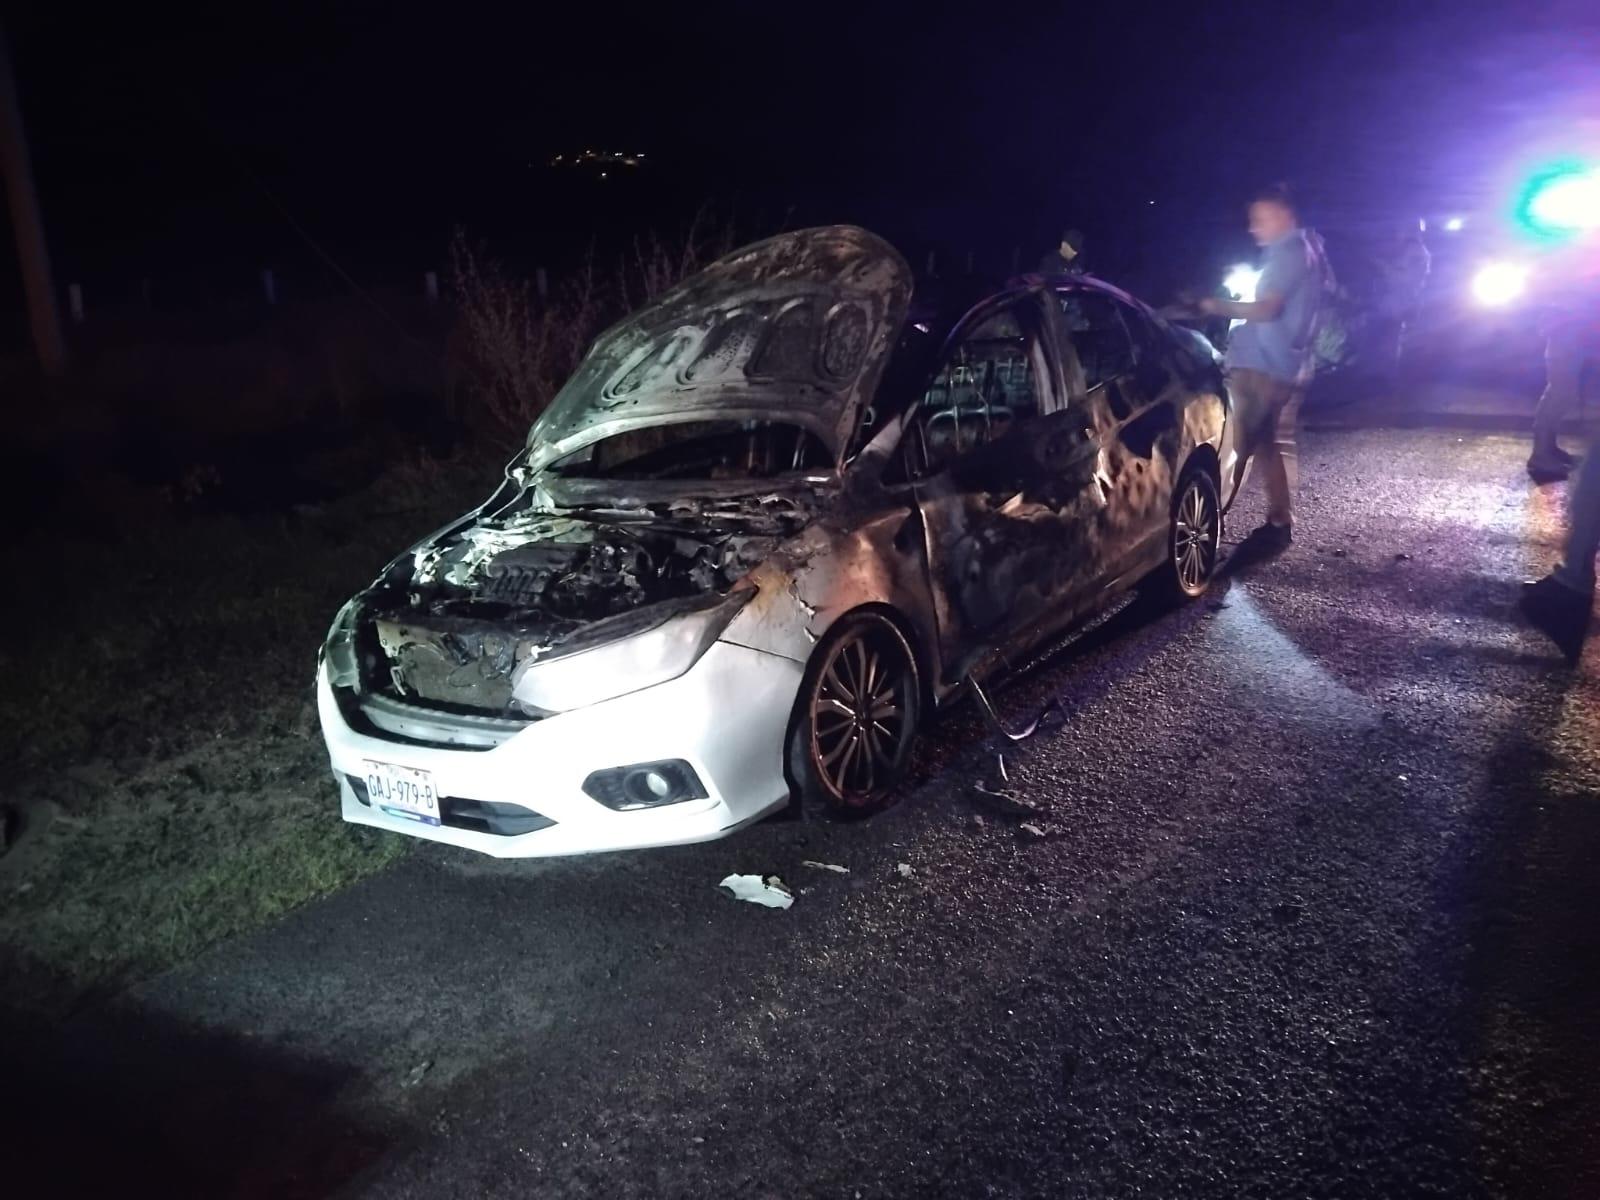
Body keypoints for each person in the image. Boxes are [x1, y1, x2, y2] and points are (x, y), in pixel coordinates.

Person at [1194, 183, 1331, 548]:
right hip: (1286, 364)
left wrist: (1214, 306)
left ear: (1285, 216)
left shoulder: (1288, 252)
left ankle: (1205, 525)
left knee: (1236, 446)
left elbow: (1268, 308)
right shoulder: (1310, 250)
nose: (1254, 228)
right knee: (1271, 444)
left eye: (1261, 219)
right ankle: (1280, 516)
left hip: (1262, 365)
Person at [1526, 297, 1600, 483]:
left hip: (1572, 336)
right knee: (1558, 394)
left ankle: (1549, 449)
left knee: (1564, 395)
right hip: (1564, 335)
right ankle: (1541, 455)